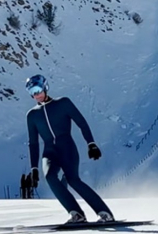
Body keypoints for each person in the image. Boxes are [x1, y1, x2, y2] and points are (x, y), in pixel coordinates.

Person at [24, 74, 115, 223]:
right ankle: (76, 213)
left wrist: (91, 144)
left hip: (67, 148)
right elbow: (33, 143)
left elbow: (82, 123)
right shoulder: (32, 115)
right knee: (50, 177)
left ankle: (104, 213)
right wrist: (34, 168)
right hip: (50, 152)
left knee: (73, 180)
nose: (37, 95)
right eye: (32, 92)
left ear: (45, 88)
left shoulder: (63, 103)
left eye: (38, 90)